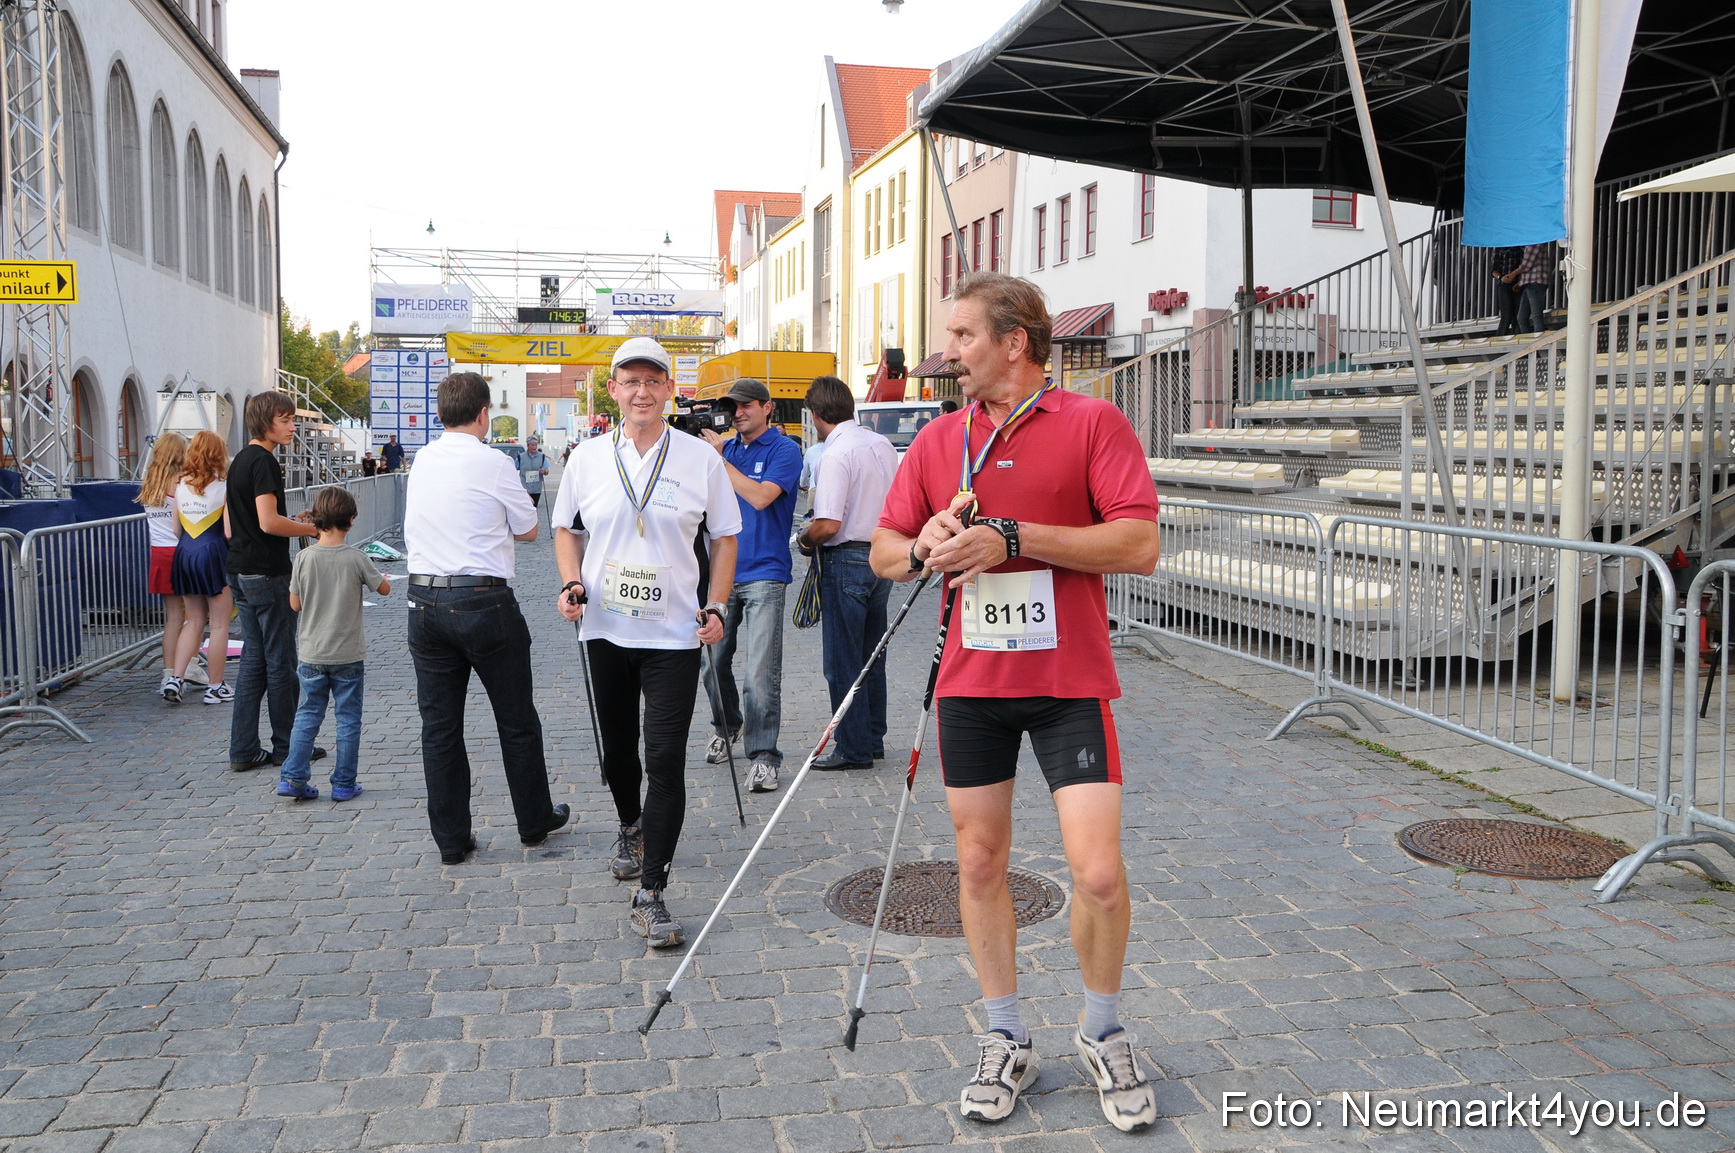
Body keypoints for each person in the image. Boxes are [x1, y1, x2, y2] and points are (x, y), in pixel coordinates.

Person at [872, 272, 1161, 1133]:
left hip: (1069, 681)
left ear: (1014, 343)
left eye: (962, 335)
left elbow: (1139, 542)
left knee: (1099, 874)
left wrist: (1014, 538)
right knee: (976, 863)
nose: (948, 352)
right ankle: (1004, 1035)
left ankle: (1104, 1029)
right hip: (971, 686)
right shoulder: (936, 441)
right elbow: (884, 550)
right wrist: (917, 542)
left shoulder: (1091, 423)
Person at [553, 337, 739, 949]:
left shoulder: (698, 459)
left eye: (652, 382)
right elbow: (564, 528)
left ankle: (652, 891)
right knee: (618, 756)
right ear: (612, 390)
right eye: (630, 382)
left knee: (664, 759)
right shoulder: (585, 458)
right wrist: (571, 582)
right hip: (606, 628)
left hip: (673, 636)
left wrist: (717, 602)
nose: (641, 392)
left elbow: (724, 538)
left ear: (669, 390)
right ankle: (629, 824)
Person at [405, 372, 570, 865]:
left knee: (439, 727)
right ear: (482, 415)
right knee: (516, 719)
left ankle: (452, 841)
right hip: (482, 601)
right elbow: (530, 529)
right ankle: (533, 821)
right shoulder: (494, 461)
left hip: (422, 603)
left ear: (440, 414)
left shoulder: (421, 461)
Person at [698, 378, 803, 792]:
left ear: (767, 407)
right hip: (720, 575)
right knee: (711, 663)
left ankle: (764, 756)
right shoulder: (727, 449)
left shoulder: (784, 449)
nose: (738, 412)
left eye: (746, 406)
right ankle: (728, 726)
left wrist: (719, 461)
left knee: (759, 674)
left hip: (765, 572)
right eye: (733, 407)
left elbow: (761, 497)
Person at [796, 376, 898, 772]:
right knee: (873, 655)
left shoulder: (834, 455)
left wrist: (803, 542)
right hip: (880, 555)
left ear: (816, 415)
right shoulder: (880, 444)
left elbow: (827, 525)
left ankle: (852, 748)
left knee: (842, 661)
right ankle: (872, 739)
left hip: (846, 559)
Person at [226, 392, 323, 770]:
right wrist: (310, 529)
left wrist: (292, 520)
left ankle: (244, 749)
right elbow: (268, 523)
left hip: (240, 569)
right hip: (266, 573)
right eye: (285, 420)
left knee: (254, 661)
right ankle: (288, 746)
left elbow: (243, 523)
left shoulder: (239, 461)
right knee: (281, 663)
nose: (292, 426)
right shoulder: (264, 461)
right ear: (266, 421)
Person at [277, 486, 391, 802]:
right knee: (348, 718)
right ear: (351, 520)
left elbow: (295, 605)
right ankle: (343, 782)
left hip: (312, 652)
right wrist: (376, 574)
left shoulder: (302, 558)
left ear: (316, 519)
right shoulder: (357, 558)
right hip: (348, 654)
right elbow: (384, 590)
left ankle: (293, 777)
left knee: (307, 714)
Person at [166, 431, 234, 705]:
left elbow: (175, 529)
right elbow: (229, 531)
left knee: (192, 620)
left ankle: (175, 677)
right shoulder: (224, 486)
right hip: (213, 552)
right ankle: (215, 686)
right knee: (218, 624)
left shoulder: (181, 485)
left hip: (185, 553)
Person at [138, 432, 192, 699]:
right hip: (181, 551)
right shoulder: (181, 482)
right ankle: (189, 667)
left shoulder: (149, 482)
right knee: (194, 615)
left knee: (172, 618)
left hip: (158, 552)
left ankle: (168, 673)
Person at [1515, 241, 1555, 334]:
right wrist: (1520, 283)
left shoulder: (1535, 242)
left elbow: (1526, 265)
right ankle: (1530, 343)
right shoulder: (1532, 242)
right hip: (1530, 282)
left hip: (1536, 282)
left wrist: (1512, 275)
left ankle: (1538, 343)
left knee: (1536, 316)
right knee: (1522, 318)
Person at [1490, 246, 1523, 336]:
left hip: (1518, 283)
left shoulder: (1520, 245)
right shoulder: (1498, 247)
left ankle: (1516, 339)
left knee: (1518, 316)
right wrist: (1501, 277)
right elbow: (1493, 270)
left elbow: (1525, 265)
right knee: (1506, 316)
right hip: (1504, 283)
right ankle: (1499, 341)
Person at [520, 436, 551, 506]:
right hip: (525, 489)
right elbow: (514, 469)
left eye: (535, 445)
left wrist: (544, 471)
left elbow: (547, 471)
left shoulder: (541, 456)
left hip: (537, 489)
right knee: (527, 508)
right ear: (528, 445)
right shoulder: (521, 457)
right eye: (532, 445)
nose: (534, 447)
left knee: (534, 508)